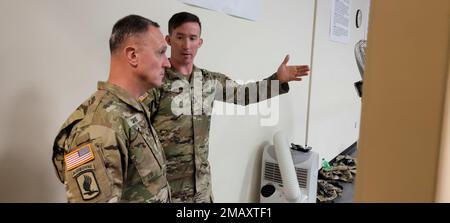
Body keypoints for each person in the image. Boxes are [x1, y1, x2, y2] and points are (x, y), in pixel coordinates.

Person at [142, 12, 310, 202]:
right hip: (165, 192)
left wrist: (276, 80)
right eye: (180, 37)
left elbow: (243, 94)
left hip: (201, 189)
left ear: (200, 42)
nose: (186, 45)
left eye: (192, 38)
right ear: (168, 40)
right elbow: (136, 136)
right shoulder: (154, 82)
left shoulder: (209, 81)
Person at [52, 15, 172, 203]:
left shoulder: (131, 111)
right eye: (161, 52)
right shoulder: (99, 127)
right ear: (133, 55)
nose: (167, 63)